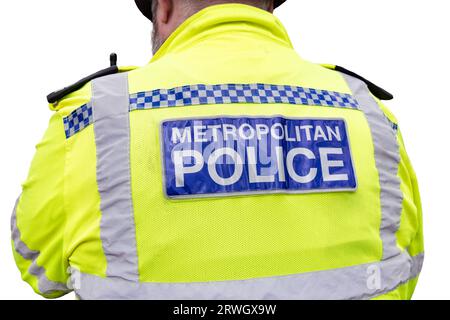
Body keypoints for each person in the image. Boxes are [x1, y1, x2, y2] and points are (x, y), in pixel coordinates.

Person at [11, 0, 424, 300]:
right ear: (267, 8)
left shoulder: (95, 115)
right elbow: (405, 266)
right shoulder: (367, 110)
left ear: (165, 8)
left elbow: (37, 265)